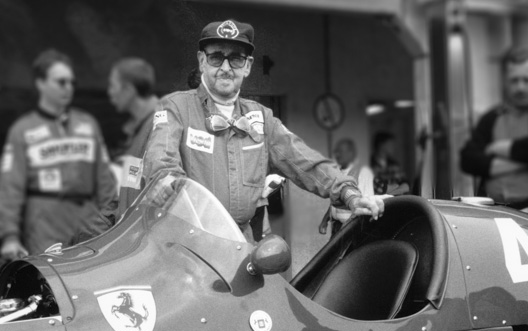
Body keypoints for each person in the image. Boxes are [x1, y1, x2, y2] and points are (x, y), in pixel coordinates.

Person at [143, 19, 383, 243]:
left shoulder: (262, 118)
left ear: (247, 66)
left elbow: (307, 162)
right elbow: (161, 167)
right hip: (188, 245)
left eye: (236, 58)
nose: (226, 67)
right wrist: (182, 201)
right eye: (216, 57)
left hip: (239, 246)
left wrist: (351, 194)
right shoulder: (174, 107)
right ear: (201, 61)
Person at [0, 48, 117, 259]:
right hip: (45, 220)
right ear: (41, 83)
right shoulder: (23, 130)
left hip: (88, 220)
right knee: (49, 284)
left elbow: (105, 180)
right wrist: (9, 236)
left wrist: (113, 220)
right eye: (61, 82)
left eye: (72, 82)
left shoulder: (87, 124)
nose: (68, 88)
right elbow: (10, 187)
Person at [460, 46, 528, 226]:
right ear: (504, 81)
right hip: (492, 215)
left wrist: (501, 149)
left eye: (527, 80)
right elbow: (468, 159)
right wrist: (527, 161)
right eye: (514, 80)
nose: (520, 87)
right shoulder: (491, 117)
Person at [107, 57, 160, 216]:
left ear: (129, 90)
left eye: (112, 85)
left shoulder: (160, 124)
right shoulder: (136, 127)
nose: (109, 92)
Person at [320, 138, 376, 236]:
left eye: (340, 151)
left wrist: (347, 228)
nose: (337, 155)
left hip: (352, 229)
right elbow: (336, 198)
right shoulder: (338, 172)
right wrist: (325, 220)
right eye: (336, 152)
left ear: (351, 153)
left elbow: (366, 204)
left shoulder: (363, 172)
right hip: (338, 227)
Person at [371, 131, 409, 195]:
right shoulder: (370, 166)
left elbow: (406, 185)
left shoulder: (395, 165)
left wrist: (392, 192)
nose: (393, 147)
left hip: (397, 202)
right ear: (382, 145)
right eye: (390, 144)